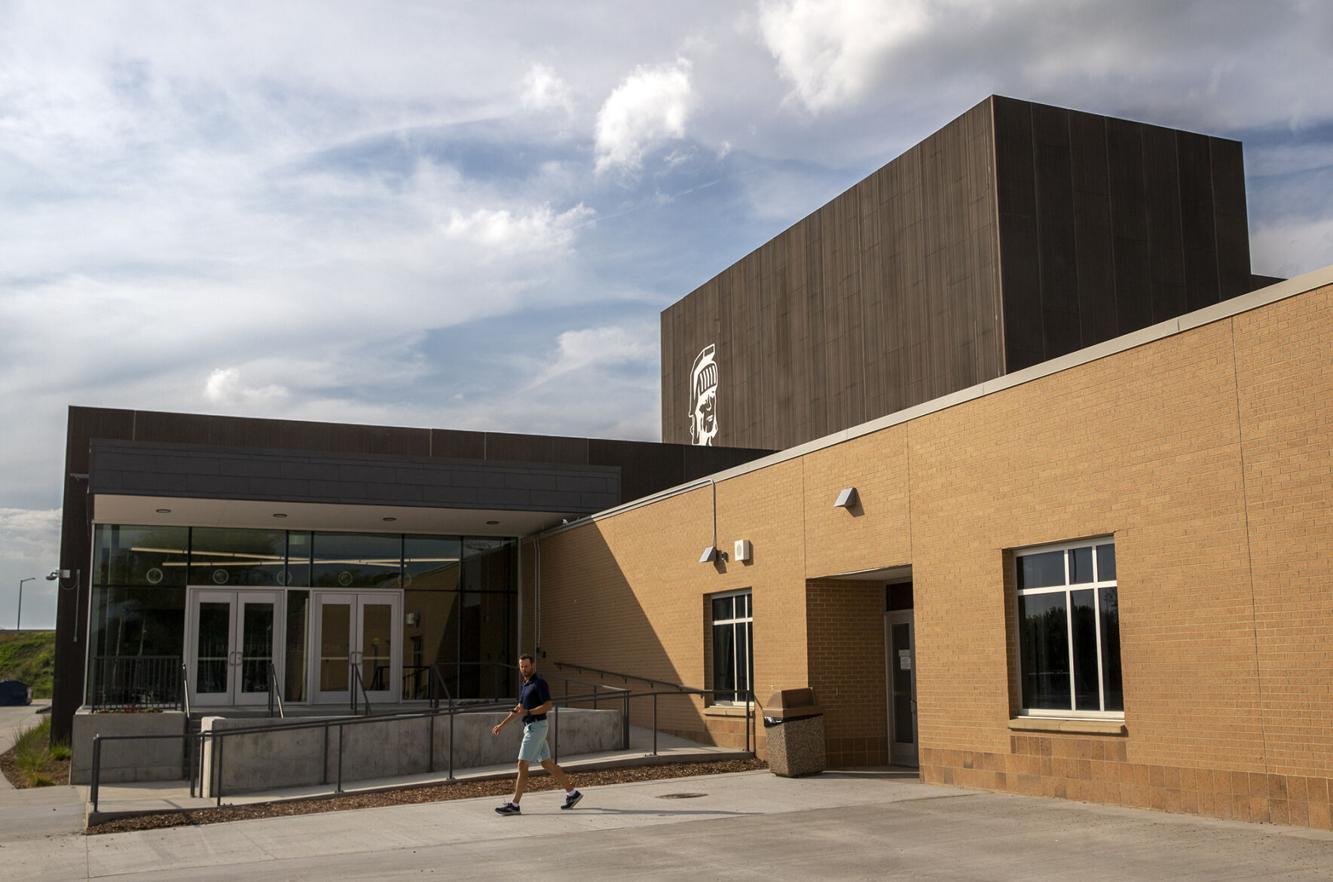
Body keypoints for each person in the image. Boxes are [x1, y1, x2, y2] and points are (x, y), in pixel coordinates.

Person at [491, 653, 582, 815]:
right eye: (521, 666)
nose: (524, 669)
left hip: (537, 727)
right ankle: (572, 793)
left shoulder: (540, 683)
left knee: (522, 764)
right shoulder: (525, 685)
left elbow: (548, 705)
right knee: (547, 764)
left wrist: (529, 712)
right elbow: (519, 709)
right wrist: (502, 725)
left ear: (533, 665)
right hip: (531, 727)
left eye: (526, 666)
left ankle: (514, 805)